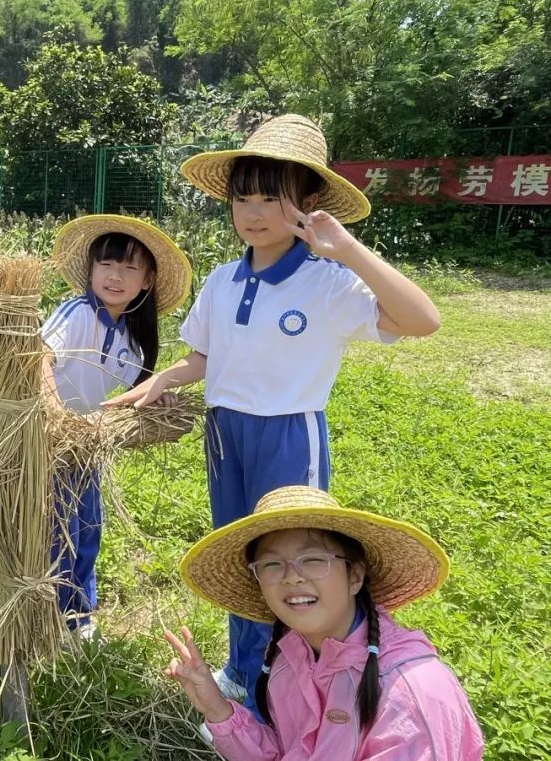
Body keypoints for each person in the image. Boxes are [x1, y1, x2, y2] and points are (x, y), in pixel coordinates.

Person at [108, 114, 441, 707]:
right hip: (224, 435)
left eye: (270, 196)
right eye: (242, 197)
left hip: (289, 435)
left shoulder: (328, 283)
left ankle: (298, 681)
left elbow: (423, 320)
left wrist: (347, 249)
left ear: (307, 202)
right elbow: (204, 355)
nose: (253, 212)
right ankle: (245, 669)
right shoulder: (222, 281)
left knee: (297, 562)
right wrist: (160, 381)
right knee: (244, 555)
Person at [164, 485, 484, 760]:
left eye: (313, 559)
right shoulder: (289, 658)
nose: (291, 576)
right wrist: (217, 709)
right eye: (272, 564)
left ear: (355, 576)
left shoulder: (408, 693)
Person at [43, 214, 192, 637]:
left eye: (130, 268)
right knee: (57, 534)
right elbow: (39, 357)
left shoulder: (132, 339)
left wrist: (156, 397)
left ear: (147, 281)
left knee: (88, 528)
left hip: (88, 448)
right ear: (90, 270)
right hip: (50, 444)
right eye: (106, 264)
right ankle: (52, 621)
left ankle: (79, 619)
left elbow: (125, 397)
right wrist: (57, 414)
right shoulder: (76, 313)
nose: (115, 276)